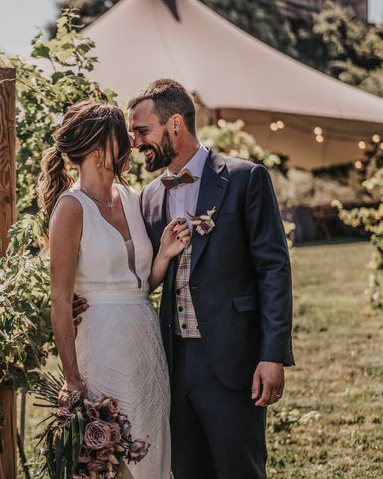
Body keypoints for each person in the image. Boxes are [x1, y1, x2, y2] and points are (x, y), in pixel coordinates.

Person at [74, 79, 294, 479]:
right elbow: (137, 272)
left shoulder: (246, 179)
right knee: (187, 470)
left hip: (233, 360)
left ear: (175, 124)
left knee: (238, 470)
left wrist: (273, 354)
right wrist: (83, 299)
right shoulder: (149, 196)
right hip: (171, 363)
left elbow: (274, 270)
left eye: (142, 131)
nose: (135, 142)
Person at [39, 99, 190, 479]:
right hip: (102, 346)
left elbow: (139, 285)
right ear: (97, 148)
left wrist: (164, 255)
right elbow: (58, 298)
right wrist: (72, 377)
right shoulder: (71, 208)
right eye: (121, 137)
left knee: (152, 446)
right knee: (117, 459)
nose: (130, 144)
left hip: (145, 339)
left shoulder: (131, 197)